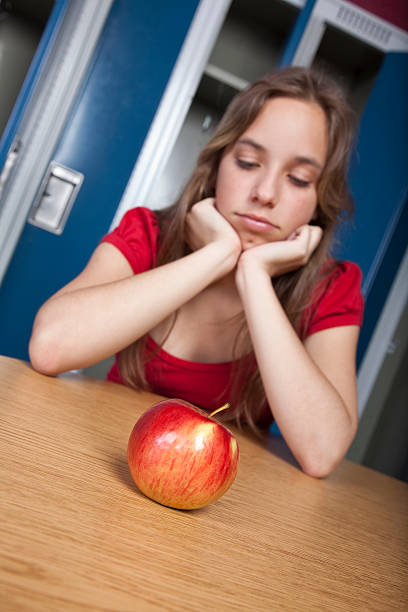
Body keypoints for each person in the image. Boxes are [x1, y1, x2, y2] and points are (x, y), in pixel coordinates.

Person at [29, 67, 364, 478]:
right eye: (247, 162)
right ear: (216, 166)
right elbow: (49, 347)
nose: (265, 193)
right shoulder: (148, 233)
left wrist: (254, 276)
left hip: (226, 496)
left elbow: (322, 450)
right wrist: (217, 255)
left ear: (319, 202)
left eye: (298, 179)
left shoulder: (333, 287)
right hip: (107, 462)